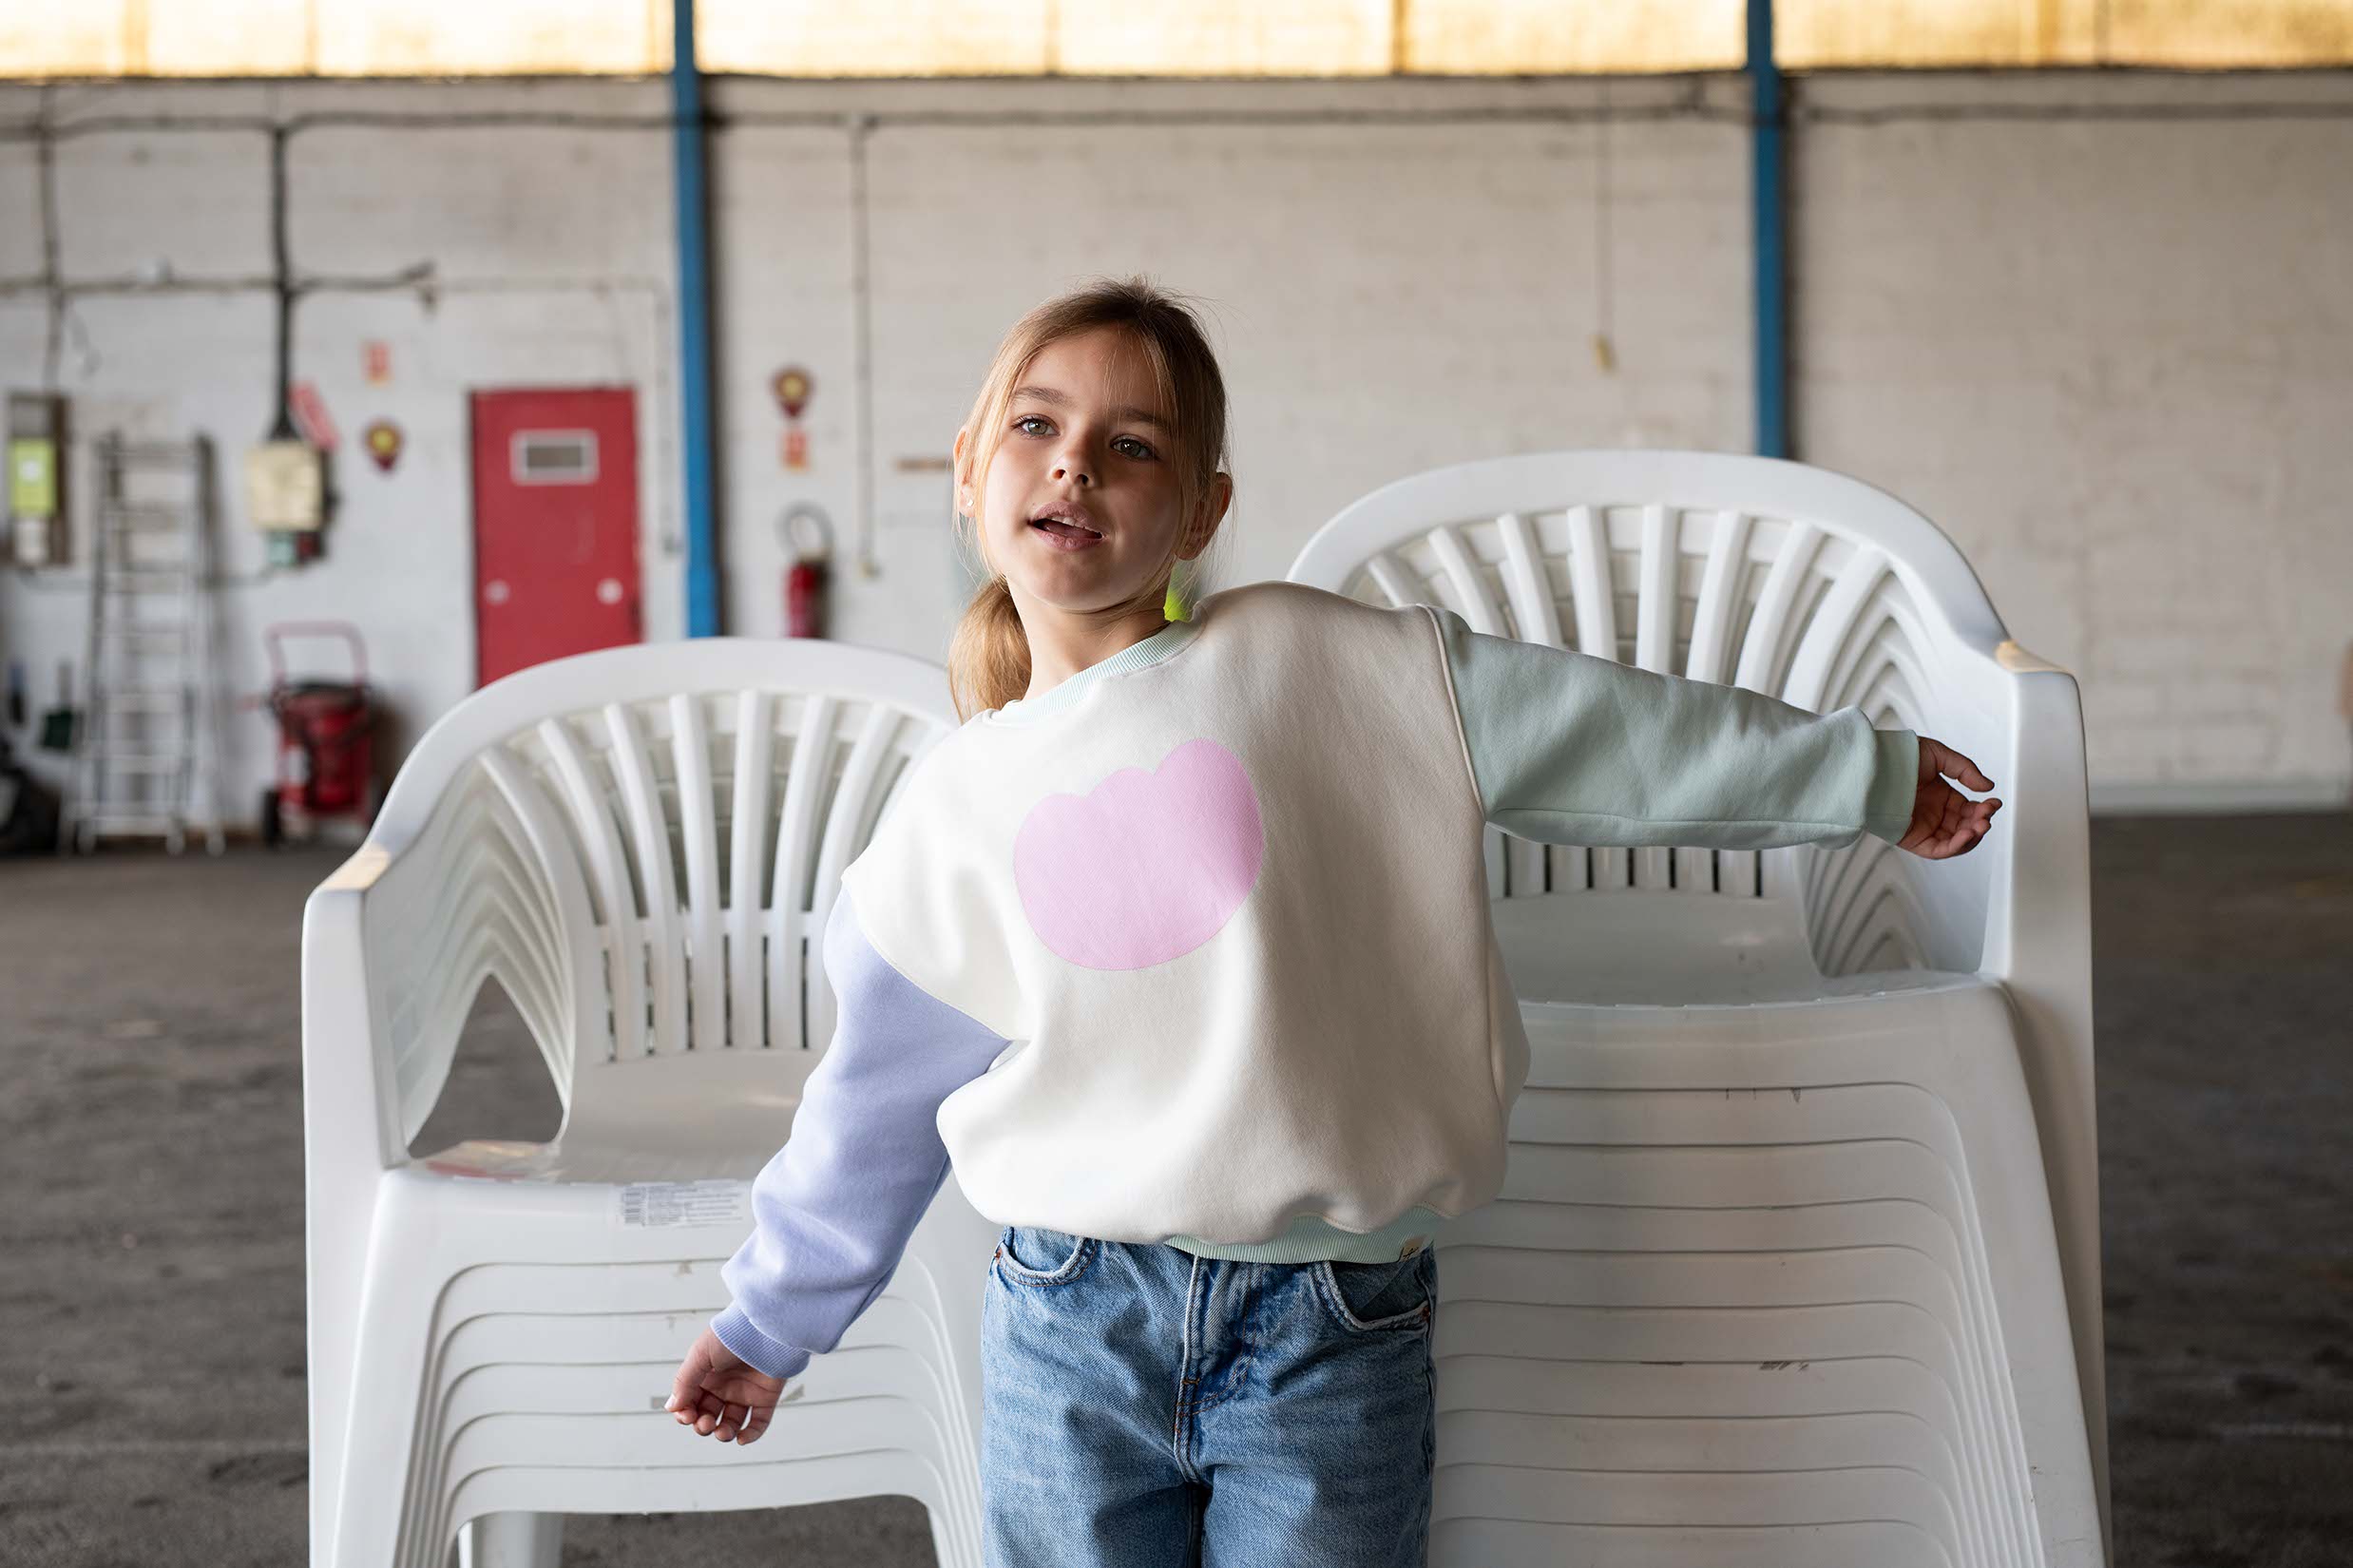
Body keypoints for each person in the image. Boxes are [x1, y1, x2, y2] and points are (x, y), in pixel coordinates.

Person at [665, 276, 2000, 1565]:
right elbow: (872, 1108)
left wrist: (1861, 777)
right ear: (968, 471)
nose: (1074, 463)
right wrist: (771, 1320)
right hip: (1070, 1323)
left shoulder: (1340, 666)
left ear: (1203, 508)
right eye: (1036, 423)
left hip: (1335, 1323)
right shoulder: (950, 813)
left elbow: (1626, 739)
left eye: (1132, 445)